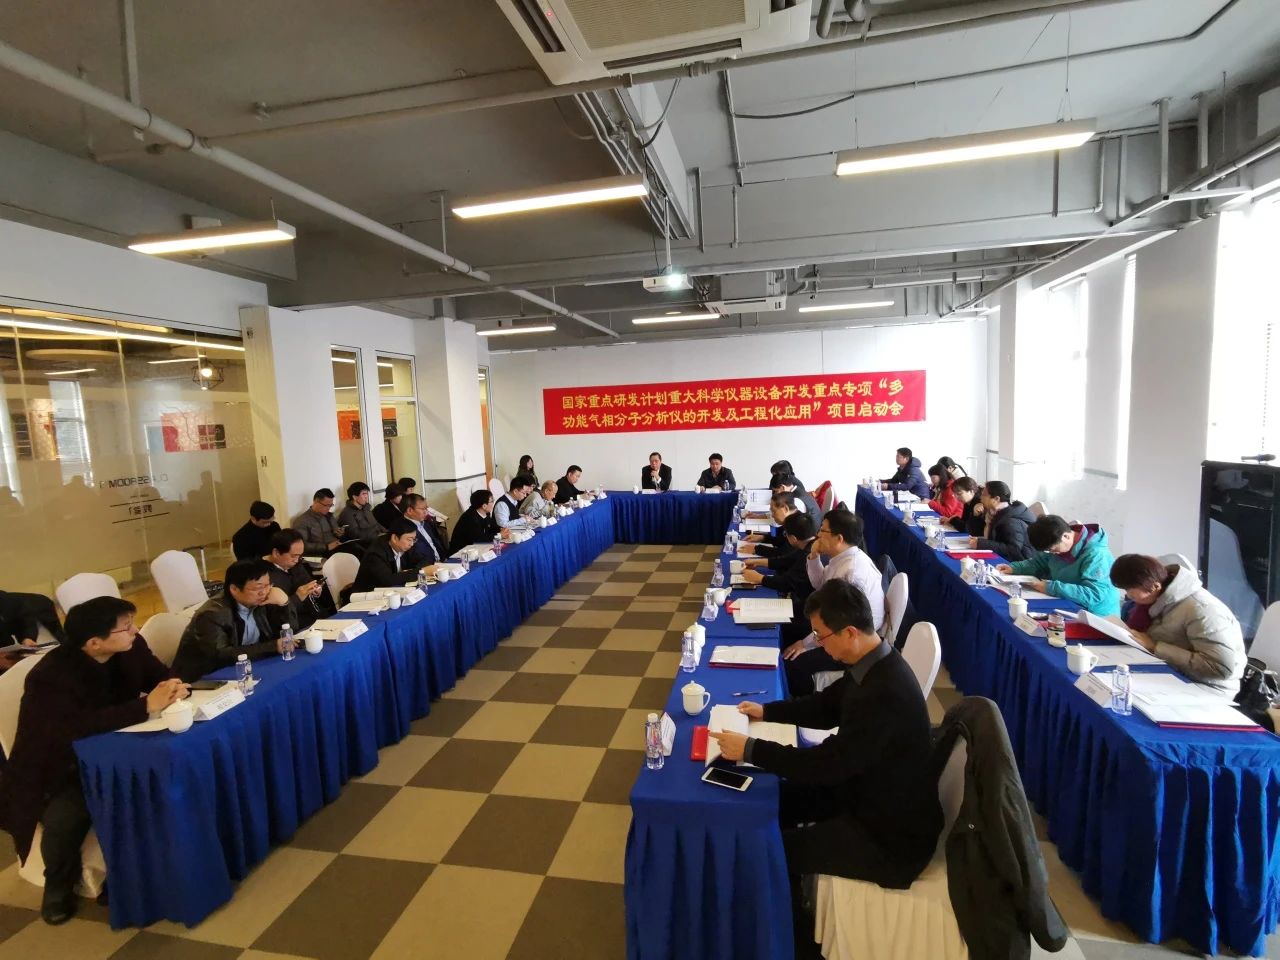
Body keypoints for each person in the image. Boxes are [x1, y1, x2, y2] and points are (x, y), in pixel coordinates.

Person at [708, 580, 942, 935]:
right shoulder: (873, 661)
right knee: (774, 798)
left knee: (768, 848)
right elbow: (824, 708)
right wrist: (767, 711)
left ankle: (788, 939)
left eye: (821, 635)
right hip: (863, 791)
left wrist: (751, 749)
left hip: (889, 837)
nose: (817, 643)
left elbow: (825, 765)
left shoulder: (885, 693)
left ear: (849, 633)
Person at [0, 597, 186, 925]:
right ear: (94, 643)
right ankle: (58, 885)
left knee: (160, 780)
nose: (135, 631)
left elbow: (158, 675)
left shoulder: (131, 648)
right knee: (66, 816)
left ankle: (128, 875)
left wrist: (172, 687)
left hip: (118, 748)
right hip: (60, 763)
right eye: (126, 627)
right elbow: (74, 727)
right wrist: (144, 706)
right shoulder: (51, 676)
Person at [1109, 554, 1246, 694]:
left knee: (1121, 695)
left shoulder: (1202, 610)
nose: (1128, 596)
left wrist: (1155, 647)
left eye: (1130, 591)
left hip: (1206, 687)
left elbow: (1219, 667)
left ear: (1154, 587)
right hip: (1169, 673)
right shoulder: (1153, 602)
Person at [783, 509, 886, 694]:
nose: (817, 535)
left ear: (839, 538)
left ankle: (806, 705)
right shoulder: (842, 558)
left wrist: (804, 644)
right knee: (786, 625)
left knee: (795, 664)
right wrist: (813, 556)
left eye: (823, 530)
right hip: (835, 622)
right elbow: (819, 584)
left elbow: (842, 624)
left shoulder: (852, 572)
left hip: (853, 642)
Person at [171, 559, 286, 683]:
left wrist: (284, 604)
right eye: (257, 588)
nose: (263, 592)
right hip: (202, 680)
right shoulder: (212, 614)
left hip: (245, 668)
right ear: (234, 589)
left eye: (268, 585)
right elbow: (222, 656)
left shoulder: (262, 601)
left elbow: (287, 632)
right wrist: (272, 647)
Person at [997, 514, 1119, 616]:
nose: (1053, 553)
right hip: (1067, 603)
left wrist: (1052, 588)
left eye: (1053, 550)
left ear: (1066, 536)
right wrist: (1015, 568)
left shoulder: (1096, 555)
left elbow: (1094, 594)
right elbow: (1039, 562)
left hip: (1096, 615)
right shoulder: (1056, 541)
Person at [740, 513, 818, 624]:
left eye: (786, 534)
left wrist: (760, 578)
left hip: (806, 609)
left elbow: (787, 583)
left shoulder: (809, 554)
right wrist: (758, 562)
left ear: (793, 538)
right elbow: (787, 560)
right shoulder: (811, 544)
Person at [262, 529, 332, 632]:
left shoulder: (296, 564)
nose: (297, 560)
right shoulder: (262, 575)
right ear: (276, 553)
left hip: (317, 615)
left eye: (300, 555)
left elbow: (308, 584)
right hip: (294, 626)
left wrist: (315, 590)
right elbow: (271, 615)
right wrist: (297, 598)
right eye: (293, 556)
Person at [348, 519, 423, 596]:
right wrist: (421, 572)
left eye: (414, 540)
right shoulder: (375, 554)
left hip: (389, 592)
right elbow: (388, 580)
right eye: (409, 539)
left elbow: (419, 559)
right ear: (394, 538)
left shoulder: (402, 546)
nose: (411, 544)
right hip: (366, 596)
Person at [969, 481, 1035, 561]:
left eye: (984, 495)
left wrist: (982, 544)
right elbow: (975, 532)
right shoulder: (993, 513)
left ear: (996, 499)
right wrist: (975, 516)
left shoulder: (1011, 520)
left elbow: (1014, 550)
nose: (980, 497)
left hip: (1018, 562)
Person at [292, 489, 356, 557]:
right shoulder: (302, 521)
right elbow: (301, 545)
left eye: (331, 505)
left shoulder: (329, 516)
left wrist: (339, 534)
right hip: (319, 553)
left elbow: (336, 534)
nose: (328, 508)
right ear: (316, 501)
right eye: (326, 505)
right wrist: (326, 547)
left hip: (336, 548)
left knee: (356, 548)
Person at [0, 590, 65, 646]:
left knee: (59, 641)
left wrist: (27, 637)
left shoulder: (6, 601)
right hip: (19, 622)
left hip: (41, 609)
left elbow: (26, 620)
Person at [401, 493, 449, 568]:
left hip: (442, 563)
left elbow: (436, 543)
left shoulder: (426, 523)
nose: (426, 512)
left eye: (426, 508)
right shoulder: (402, 529)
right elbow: (413, 558)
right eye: (423, 509)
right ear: (410, 510)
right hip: (425, 569)